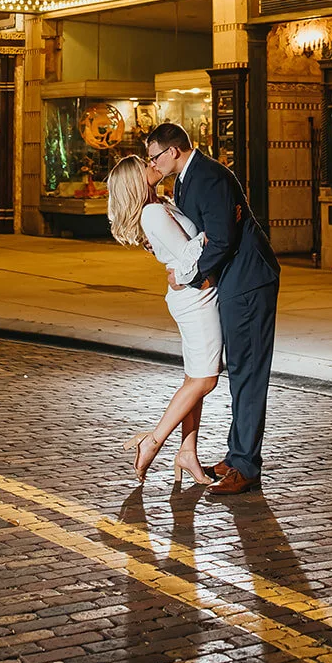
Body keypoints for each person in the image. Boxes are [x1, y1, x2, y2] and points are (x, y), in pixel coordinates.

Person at [145, 122, 280, 497]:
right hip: (234, 281)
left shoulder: (209, 177)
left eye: (154, 156)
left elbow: (221, 239)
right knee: (239, 370)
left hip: (249, 280)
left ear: (173, 151)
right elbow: (199, 235)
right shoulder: (186, 180)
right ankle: (236, 457)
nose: (152, 164)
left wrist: (188, 275)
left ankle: (246, 467)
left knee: (248, 372)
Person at [106, 155, 221, 485]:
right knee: (206, 380)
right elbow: (189, 255)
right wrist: (215, 231)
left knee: (194, 378)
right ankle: (153, 441)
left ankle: (187, 453)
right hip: (195, 299)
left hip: (193, 294)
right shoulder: (153, 213)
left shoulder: (160, 205)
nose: (152, 164)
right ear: (136, 180)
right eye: (145, 164)